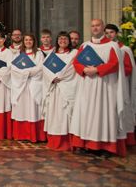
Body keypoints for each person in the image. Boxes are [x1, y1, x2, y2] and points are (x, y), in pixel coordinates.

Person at [70, 19, 126, 156]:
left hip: (104, 88)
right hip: (87, 86)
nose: (95, 28)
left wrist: (97, 70)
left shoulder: (112, 46)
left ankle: (104, 147)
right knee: (85, 114)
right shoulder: (85, 45)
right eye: (93, 26)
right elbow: (76, 62)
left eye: (98, 25)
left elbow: (114, 64)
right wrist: (84, 69)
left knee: (103, 115)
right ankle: (83, 144)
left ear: (103, 27)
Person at [42, 32, 78, 151]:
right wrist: (52, 78)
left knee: (65, 114)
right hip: (53, 88)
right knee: (54, 114)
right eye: (60, 38)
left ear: (69, 41)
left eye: (65, 38)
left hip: (66, 87)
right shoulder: (52, 54)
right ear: (57, 41)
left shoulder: (74, 53)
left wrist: (59, 77)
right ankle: (54, 141)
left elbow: (71, 68)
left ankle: (66, 142)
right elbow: (45, 68)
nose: (63, 40)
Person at [10, 33, 45, 142]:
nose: (28, 42)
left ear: (34, 41)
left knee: (33, 109)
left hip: (34, 85)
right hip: (21, 86)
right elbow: (13, 68)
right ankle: (21, 134)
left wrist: (27, 72)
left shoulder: (39, 54)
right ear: (23, 42)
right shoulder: (18, 54)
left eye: (30, 40)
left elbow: (41, 68)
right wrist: (25, 74)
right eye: (26, 40)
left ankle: (34, 135)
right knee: (22, 109)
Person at [104, 23, 135, 146]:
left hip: (120, 84)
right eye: (106, 33)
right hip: (107, 85)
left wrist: (112, 69)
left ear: (116, 34)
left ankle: (122, 138)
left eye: (111, 32)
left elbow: (128, 69)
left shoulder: (124, 49)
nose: (109, 35)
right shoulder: (104, 48)